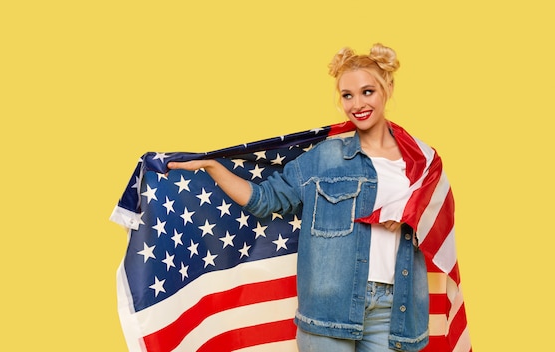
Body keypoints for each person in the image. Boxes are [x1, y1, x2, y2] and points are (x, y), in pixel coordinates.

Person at [168, 43, 431, 352]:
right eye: (347, 95)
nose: (357, 104)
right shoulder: (324, 158)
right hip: (328, 309)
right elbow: (265, 199)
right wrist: (212, 166)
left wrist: (408, 220)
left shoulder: (422, 161)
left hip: (393, 309)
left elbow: (438, 230)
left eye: (367, 91)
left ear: (388, 87)